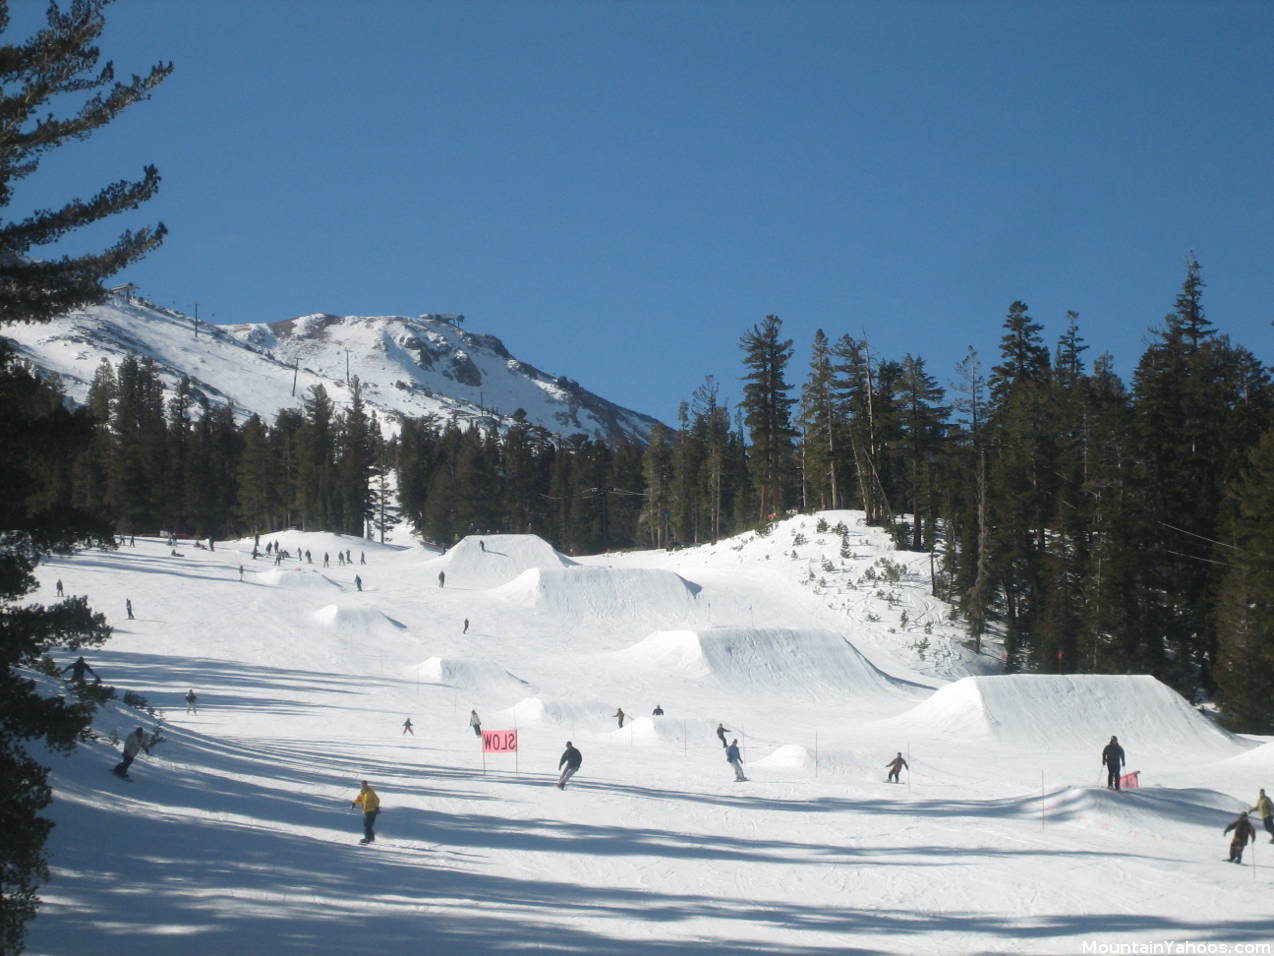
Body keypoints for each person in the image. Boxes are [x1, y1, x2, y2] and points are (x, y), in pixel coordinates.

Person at [351, 780, 381, 844]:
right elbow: (359, 799)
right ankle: (371, 837)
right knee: (367, 825)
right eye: (362, 785)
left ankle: (368, 838)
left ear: (367, 785)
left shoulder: (370, 792)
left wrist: (377, 807)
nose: (363, 786)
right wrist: (354, 803)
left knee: (367, 825)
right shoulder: (363, 792)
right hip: (366, 811)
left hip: (372, 810)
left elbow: (377, 800)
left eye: (364, 785)